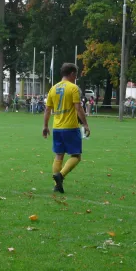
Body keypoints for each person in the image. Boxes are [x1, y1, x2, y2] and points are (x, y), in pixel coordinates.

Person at [43, 63, 90, 194]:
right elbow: (78, 107)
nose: (76, 77)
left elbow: (47, 109)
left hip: (57, 127)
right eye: (76, 75)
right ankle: (61, 175)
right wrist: (85, 124)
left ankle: (57, 185)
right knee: (76, 156)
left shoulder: (53, 88)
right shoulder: (73, 88)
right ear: (72, 74)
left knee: (59, 156)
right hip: (70, 127)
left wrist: (45, 126)